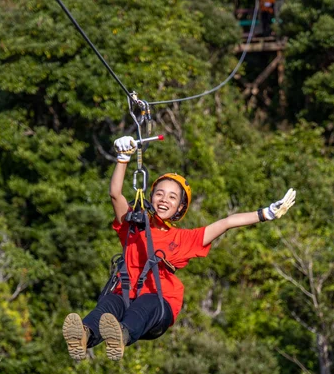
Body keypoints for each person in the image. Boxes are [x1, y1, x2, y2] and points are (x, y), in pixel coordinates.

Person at [63, 136, 296, 361]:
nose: (164, 199)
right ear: (151, 196)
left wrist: (266, 213)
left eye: (172, 197)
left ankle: (120, 336)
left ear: (180, 207)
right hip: (125, 295)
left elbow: (226, 222)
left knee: (146, 303)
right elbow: (115, 194)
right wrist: (123, 158)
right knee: (108, 304)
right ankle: (84, 335)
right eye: (160, 194)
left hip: (159, 305)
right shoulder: (134, 225)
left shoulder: (184, 238)